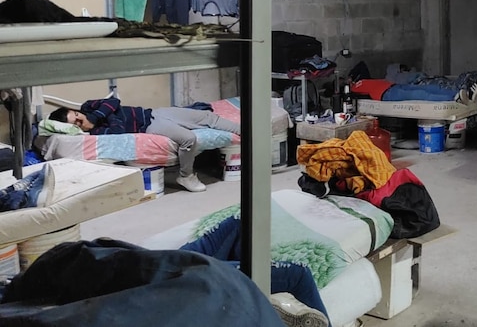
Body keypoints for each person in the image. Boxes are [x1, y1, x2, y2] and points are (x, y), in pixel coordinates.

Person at [49, 98, 240, 193]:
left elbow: (113, 101)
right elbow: (119, 131)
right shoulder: (96, 133)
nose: (80, 120)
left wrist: (96, 116)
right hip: (149, 126)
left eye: (77, 115)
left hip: (154, 112)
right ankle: (186, 176)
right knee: (188, 139)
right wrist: (101, 120)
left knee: (207, 117)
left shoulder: (89, 107)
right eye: (75, 123)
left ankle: (248, 131)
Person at [180, 215, 329, 327]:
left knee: (242, 221)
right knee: (299, 274)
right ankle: (253, 305)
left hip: (174, 261)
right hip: (184, 277)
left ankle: (252, 298)